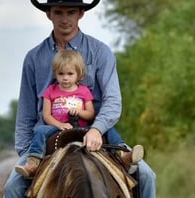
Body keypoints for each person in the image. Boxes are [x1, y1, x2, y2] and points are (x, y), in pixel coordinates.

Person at [4, 0, 167, 198]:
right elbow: (27, 110)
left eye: (71, 12)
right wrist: (27, 152)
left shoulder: (100, 53)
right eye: (58, 11)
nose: (65, 18)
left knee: (146, 175)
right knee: (14, 187)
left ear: (81, 15)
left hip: (97, 132)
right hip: (49, 134)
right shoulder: (34, 59)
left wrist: (96, 129)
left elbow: (113, 101)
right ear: (49, 15)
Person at [14, 48, 144, 178]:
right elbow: (46, 115)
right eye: (61, 74)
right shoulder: (50, 91)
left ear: (79, 75)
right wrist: (59, 125)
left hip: (82, 127)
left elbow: (90, 114)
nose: (65, 78)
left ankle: (123, 154)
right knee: (40, 130)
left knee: (109, 129)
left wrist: (80, 112)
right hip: (57, 127)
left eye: (70, 74)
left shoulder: (84, 91)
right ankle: (33, 162)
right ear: (55, 74)